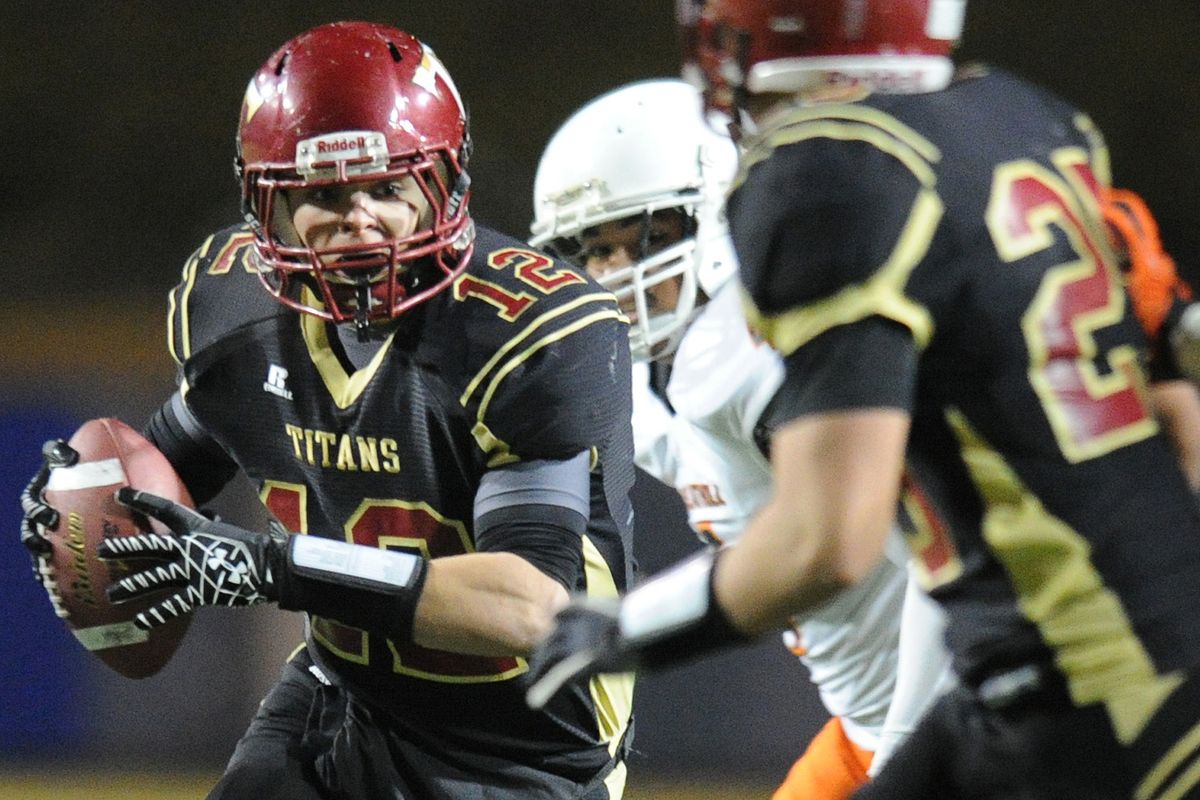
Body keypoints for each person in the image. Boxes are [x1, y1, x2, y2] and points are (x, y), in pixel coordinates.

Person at [526, 1, 1200, 797]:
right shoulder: (1024, 115)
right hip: (1095, 645)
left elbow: (829, 540)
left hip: (1069, 676)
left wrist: (632, 628)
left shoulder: (826, 179)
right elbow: (1176, 405)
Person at [20, 21, 636, 800]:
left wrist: (273, 567)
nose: (359, 219)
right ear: (266, 208)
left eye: (387, 188)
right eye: (324, 195)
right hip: (345, 692)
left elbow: (529, 607)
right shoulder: (240, 317)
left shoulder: (520, 333)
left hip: (524, 738)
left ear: (442, 187)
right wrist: (88, 509)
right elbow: (168, 472)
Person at [528, 77, 951, 798]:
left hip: (948, 713)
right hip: (866, 723)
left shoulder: (748, 353)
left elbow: (940, 552)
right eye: (594, 251)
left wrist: (911, 749)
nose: (613, 275)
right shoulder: (649, 377)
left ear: (720, 218)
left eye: (645, 240)